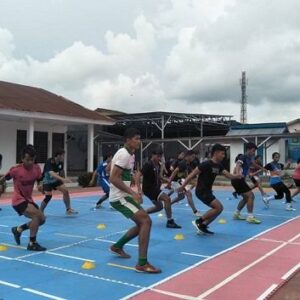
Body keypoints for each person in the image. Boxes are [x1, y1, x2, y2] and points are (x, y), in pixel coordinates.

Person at [109, 128, 161, 273]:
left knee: (142, 223)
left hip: (123, 195)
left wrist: (128, 179)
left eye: (139, 138)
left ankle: (117, 246)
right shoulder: (124, 154)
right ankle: (142, 264)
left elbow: (110, 169)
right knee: (146, 221)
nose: (139, 141)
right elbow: (113, 177)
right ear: (127, 140)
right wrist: (133, 192)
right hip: (120, 198)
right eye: (136, 138)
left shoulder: (126, 154)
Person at [178, 144, 242, 234]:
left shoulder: (219, 166)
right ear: (215, 153)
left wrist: (237, 176)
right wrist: (182, 186)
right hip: (201, 190)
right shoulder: (206, 164)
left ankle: (203, 226)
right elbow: (191, 175)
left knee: (219, 209)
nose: (223, 156)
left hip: (208, 191)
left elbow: (229, 175)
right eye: (222, 154)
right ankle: (199, 221)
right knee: (218, 207)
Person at [0, 145, 46, 251]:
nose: (30, 162)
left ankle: (18, 229)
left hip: (28, 200)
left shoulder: (37, 168)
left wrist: (40, 185)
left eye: (32, 160)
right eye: (28, 160)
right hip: (18, 200)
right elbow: (4, 178)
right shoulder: (16, 170)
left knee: (42, 220)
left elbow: (40, 179)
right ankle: (32, 243)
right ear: (22, 159)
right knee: (36, 215)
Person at [137, 148, 181, 229]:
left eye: (160, 156)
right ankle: (170, 221)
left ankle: (142, 214)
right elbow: (137, 175)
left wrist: (168, 180)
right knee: (167, 199)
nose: (159, 158)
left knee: (159, 207)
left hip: (154, 188)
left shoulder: (158, 165)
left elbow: (159, 176)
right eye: (158, 156)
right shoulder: (148, 164)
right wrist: (139, 190)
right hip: (149, 189)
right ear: (153, 155)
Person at [40, 149, 78, 215]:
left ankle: (68, 209)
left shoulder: (61, 163)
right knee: (48, 196)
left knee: (65, 191)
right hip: (47, 181)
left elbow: (61, 172)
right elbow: (51, 173)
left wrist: (65, 178)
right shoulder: (50, 161)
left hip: (55, 180)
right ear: (58, 156)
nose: (64, 157)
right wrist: (62, 179)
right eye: (63, 156)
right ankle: (40, 211)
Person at [231, 142, 262, 224]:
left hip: (239, 180)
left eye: (254, 151)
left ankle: (236, 214)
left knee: (246, 198)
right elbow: (238, 164)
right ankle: (250, 217)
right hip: (237, 179)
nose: (253, 153)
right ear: (248, 149)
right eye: (252, 151)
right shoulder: (243, 157)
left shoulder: (249, 159)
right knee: (251, 196)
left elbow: (254, 164)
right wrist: (238, 173)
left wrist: (264, 169)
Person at [167, 150, 201, 217]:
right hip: (176, 181)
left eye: (194, 157)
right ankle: (195, 211)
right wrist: (169, 182)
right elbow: (174, 172)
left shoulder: (188, 163)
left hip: (180, 180)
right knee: (189, 194)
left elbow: (187, 173)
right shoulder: (183, 163)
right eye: (192, 157)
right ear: (187, 156)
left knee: (181, 197)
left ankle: (167, 205)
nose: (193, 158)